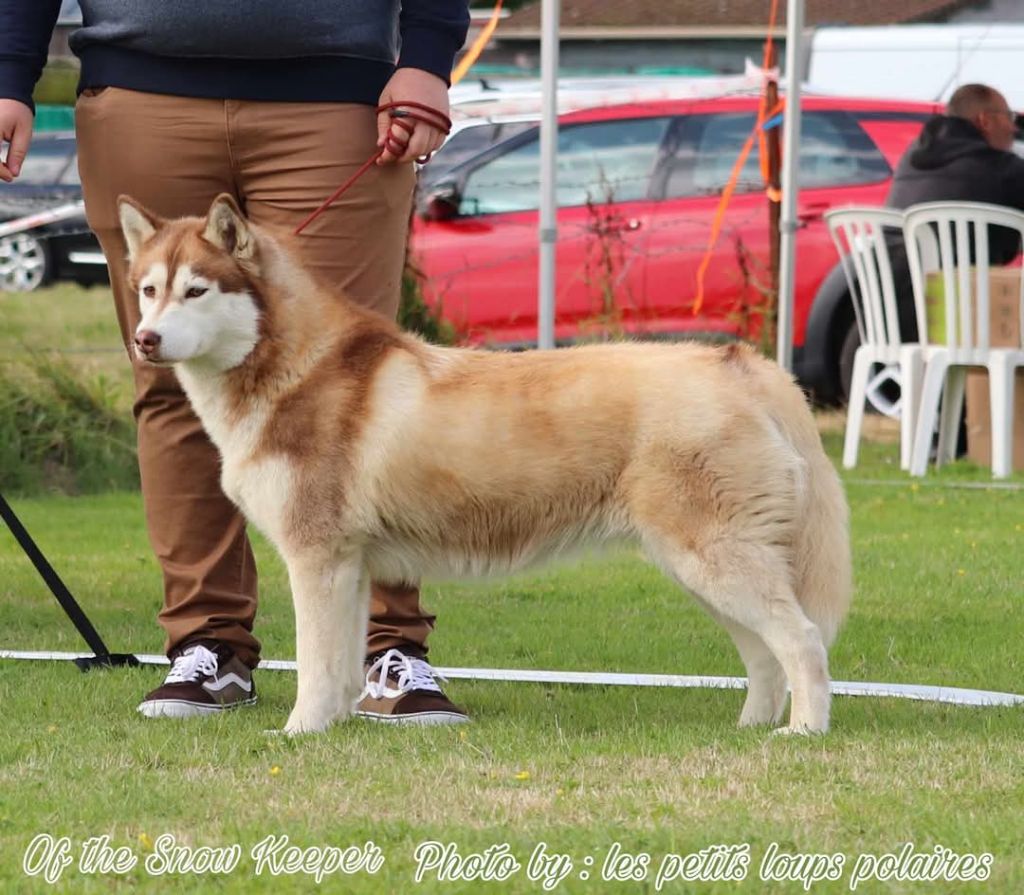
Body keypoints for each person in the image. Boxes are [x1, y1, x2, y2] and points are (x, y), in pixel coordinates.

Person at [0, 1, 471, 725]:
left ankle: (389, 649)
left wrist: (429, 56)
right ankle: (207, 645)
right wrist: (9, 73)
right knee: (171, 380)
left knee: (361, 384)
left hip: (339, 98)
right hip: (141, 98)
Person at [885, 82, 1024, 338]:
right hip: (966, 319)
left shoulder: (911, 159)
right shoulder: (1002, 168)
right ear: (985, 120)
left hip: (893, 313)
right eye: (1009, 117)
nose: (1014, 127)